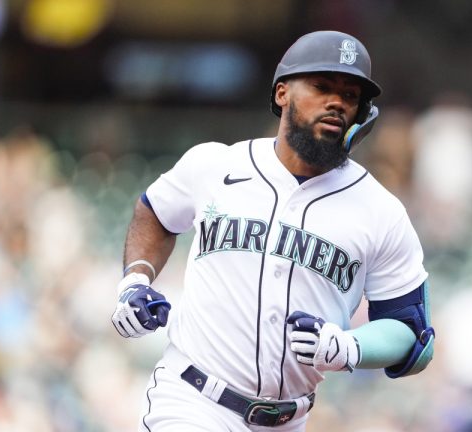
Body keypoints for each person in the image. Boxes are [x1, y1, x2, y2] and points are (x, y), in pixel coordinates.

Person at [111, 30, 435, 432]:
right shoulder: (215, 165)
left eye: (351, 95)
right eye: (321, 86)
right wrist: (135, 280)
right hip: (193, 400)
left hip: (288, 420)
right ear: (282, 93)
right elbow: (155, 213)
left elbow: (414, 336)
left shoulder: (380, 210)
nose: (337, 102)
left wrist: (350, 346)